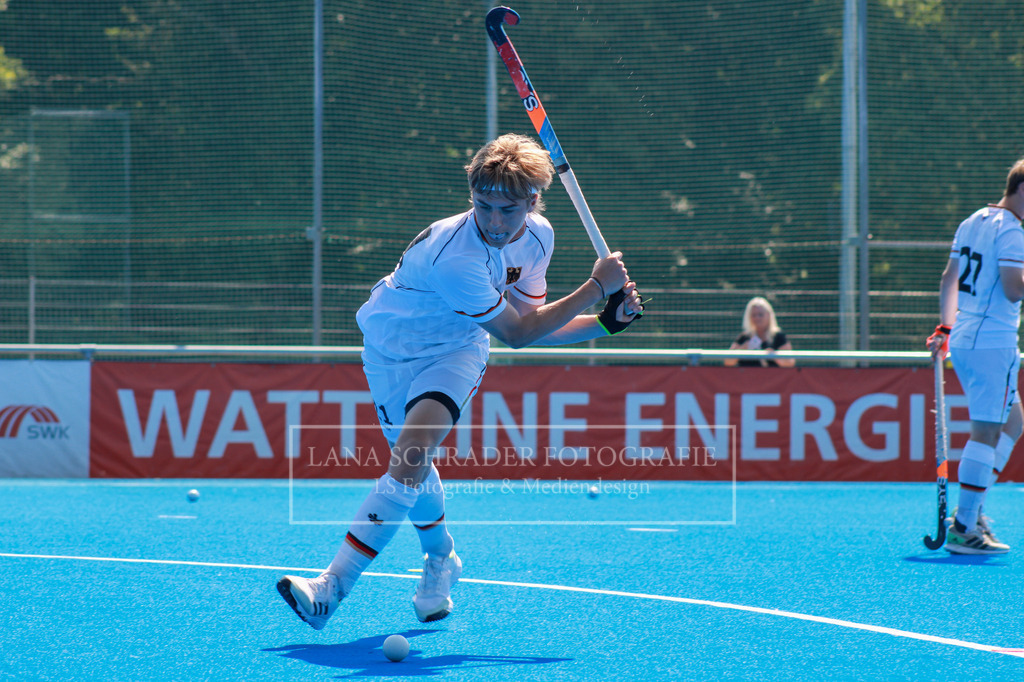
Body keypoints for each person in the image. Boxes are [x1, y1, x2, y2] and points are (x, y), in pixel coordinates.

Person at [276, 133, 644, 630]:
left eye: (508, 210)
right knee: (412, 467)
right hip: (389, 353)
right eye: (483, 205)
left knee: (409, 456)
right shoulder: (457, 255)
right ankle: (441, 560)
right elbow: (517, 333)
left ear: (533, 201)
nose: (493, 221)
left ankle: (331, 587)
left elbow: (533, 320)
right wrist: (597, 288)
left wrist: (605, 323)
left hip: (457, 350)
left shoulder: (539, 236)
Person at [926, 157, 1024, 555]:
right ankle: (964, 527)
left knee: (1014, 423)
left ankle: (973, 507)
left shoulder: (972, 221)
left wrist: (944, 328)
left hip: (966, 336)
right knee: (986, 430)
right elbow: (1014, 289)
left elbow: (949, 278)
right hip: (993, 341)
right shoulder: (1014, 231)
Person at [723, 296, 795, 368]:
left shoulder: (778, 337)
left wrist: (774, 356)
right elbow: (727, 362)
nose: (757, 318)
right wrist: (742, 350)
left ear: (768, 315)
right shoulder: (744, 337)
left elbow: (790, 363)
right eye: (754, 315)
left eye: (760, 314)